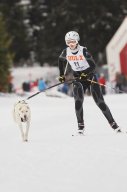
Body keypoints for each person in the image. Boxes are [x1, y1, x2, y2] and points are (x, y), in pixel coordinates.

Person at [58, 31, 122, 135]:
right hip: (78, 79)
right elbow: (60, 61)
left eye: (73, 42)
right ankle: (80, 126)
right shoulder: (66, 52)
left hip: (90, 77)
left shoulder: (83, 51)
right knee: (78, 102)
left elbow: (93, 66)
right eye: (68, 42)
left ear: (77, 41)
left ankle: (113, 123)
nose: (71, 44)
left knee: (99, 102)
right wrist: (61, 75)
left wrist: (85, 73)